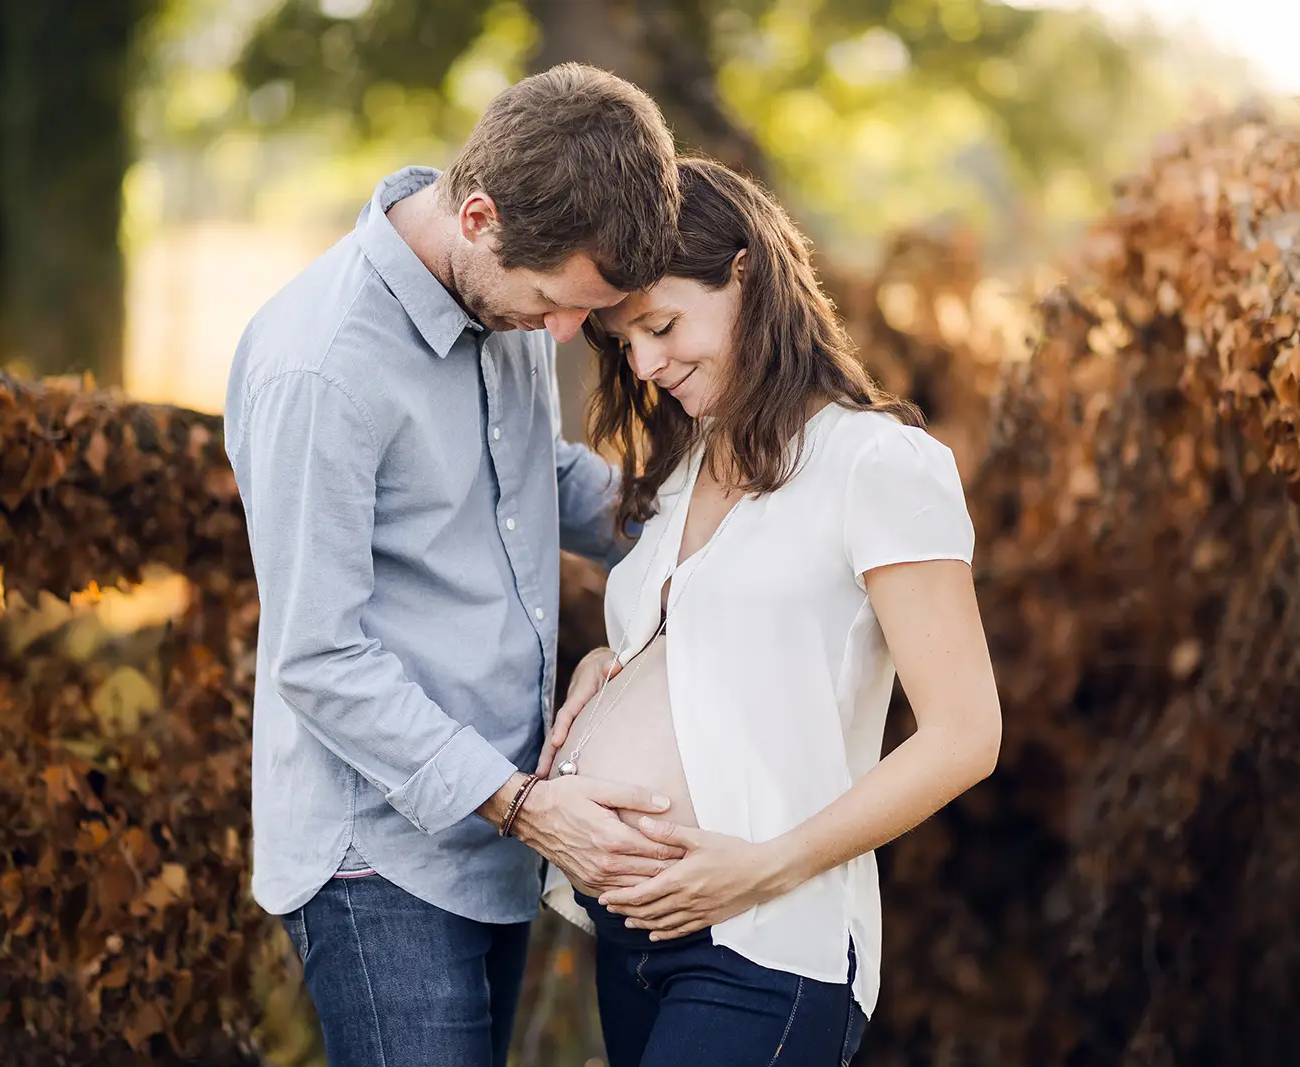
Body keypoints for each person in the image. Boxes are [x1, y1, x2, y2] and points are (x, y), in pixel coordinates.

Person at [223, 64, 688, 1067]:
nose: (568, 333)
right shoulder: (323, 367)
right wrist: (521, 801)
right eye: (557, 304)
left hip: (498, 827)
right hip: (377, 855)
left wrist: (706, 530)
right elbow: (319, 659)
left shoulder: (497, 296)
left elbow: (535, 471)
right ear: (478, 216)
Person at [528, 158, 1003, 1067]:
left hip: (767, 946)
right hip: (634, 943)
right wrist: (616, 667)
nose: (646, 363)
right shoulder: (682, 468)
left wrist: (766, 863)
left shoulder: (878, 465)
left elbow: (965, 734)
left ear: (745, 272)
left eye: (663, 326)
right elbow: (714, 651)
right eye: (626, 341)